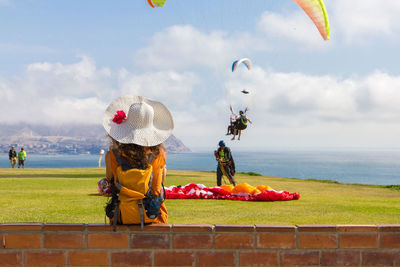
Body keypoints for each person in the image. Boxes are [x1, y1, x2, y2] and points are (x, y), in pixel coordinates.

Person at [102, 95, 174, 228]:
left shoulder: (112, 155)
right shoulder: (159, 154)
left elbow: (110, 182)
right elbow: (160, 184)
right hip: (153, 218)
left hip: (121, 217)